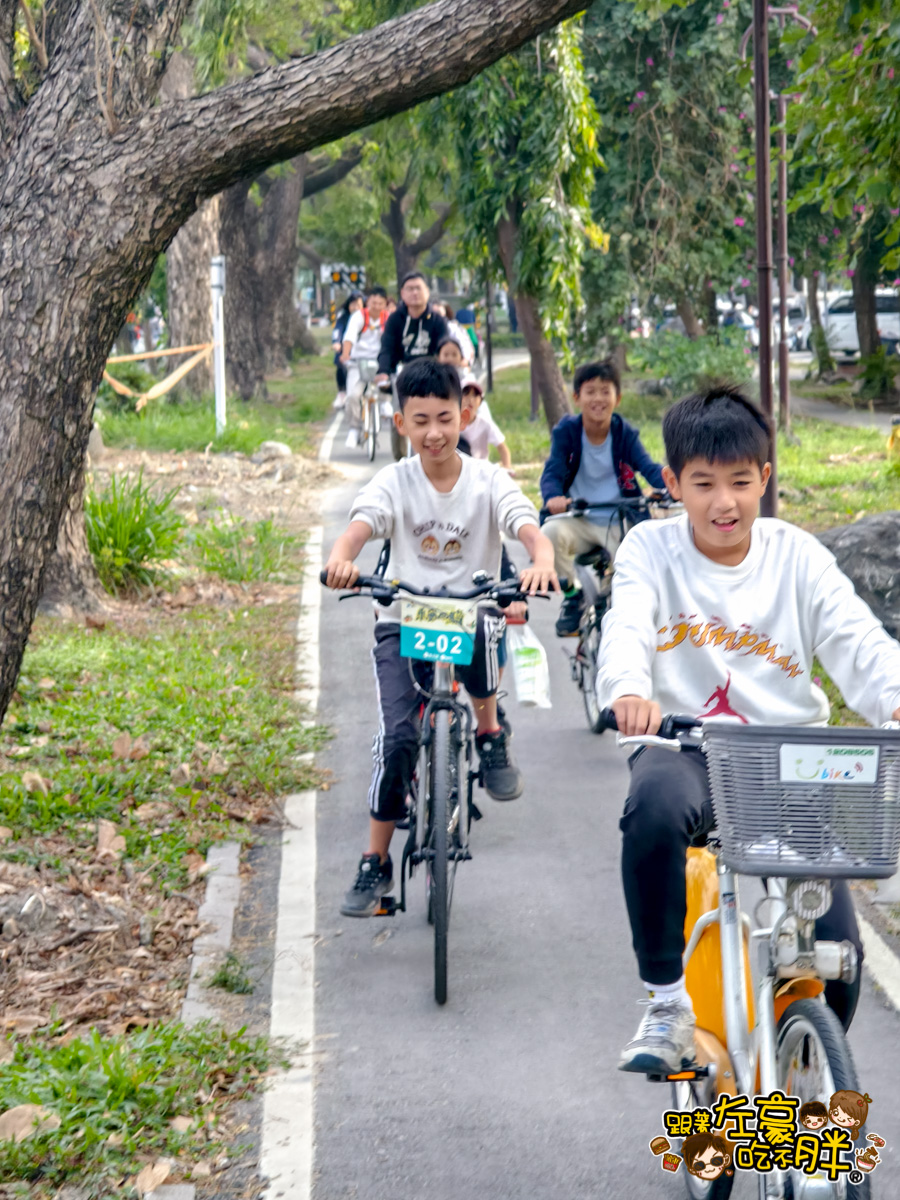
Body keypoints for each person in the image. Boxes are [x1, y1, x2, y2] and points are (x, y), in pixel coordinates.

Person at [596, 383, 900, 1075]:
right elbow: (629, 623)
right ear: (672, 482)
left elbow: (858, 639)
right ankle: (668, 1001)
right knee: (653, 812)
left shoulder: (798, 556)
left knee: (840, 962)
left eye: (740, 481)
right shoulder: (650, 549)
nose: (723, 502)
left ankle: (798, 1056)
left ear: (765, 476)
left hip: (794, 758)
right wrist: (630, 689)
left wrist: (894, 692)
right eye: (703, 484)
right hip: (687, 745)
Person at [323, 358, 558, 917]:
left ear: (464, 416)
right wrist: (340, 557)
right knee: (399, 740)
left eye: (445, 418)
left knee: (487, 624)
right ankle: (374, 859)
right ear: (400, 422)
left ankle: (490, 731)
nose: (434, 432)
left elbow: (524, 523)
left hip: (468, 611)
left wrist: (540, 559)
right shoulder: (393, 481)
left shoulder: (487, 480)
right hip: (402, 618)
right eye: (420, 419)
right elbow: (363, 523)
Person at [539, 359, 665, 637]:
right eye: (590, 391)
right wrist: (553, 497)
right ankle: (573, 597)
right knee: (549, 533)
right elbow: (553, 471)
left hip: (617, 519)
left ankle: (626, 620)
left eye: (605, 391)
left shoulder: (624, 434)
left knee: (631, 570)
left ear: (617, 398)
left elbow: (648, 467)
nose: (598, 398)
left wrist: (671, 486)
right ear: (577, 397)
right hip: (579, 518)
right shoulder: (567, 433)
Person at [375, 272, 450, 385]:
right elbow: (387, 348)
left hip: (432, 375)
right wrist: (383, 371)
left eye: (418, 288)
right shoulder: (394, 319)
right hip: (402, 374)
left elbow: (444, 348)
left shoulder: (438, 320)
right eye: (410, 289)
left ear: (427, 292)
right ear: (402, 293)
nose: (415, 292)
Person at [341, 286, 389, 448]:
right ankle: (354, 429)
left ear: (385, 304)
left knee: (387, 384)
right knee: (353, 396)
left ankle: (385, 403)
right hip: (358, 361)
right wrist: (345, 354)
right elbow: (349, 336)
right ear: (368, 302)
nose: (376, 307)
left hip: (380, 361)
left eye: (380, 303)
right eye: (373, 303)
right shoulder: (358, 317)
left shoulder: (388, 318)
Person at [460, 375, 512, 471]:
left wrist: (507, 469)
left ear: (480, 401)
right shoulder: (451, 423)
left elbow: (502, 448)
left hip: (480, 471)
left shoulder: (485, 423)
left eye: (475, 395)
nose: (470, 399)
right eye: (466, 393)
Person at [331, 292, 364, 410]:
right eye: (353, 304)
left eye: (358, 305)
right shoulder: (343, 318)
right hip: (347, 350)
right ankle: (342, 392)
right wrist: (336, 342)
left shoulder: (366, 317)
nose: (355, 308)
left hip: (364, 351)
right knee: (340, 364)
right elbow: (337, 331)